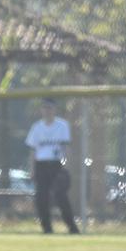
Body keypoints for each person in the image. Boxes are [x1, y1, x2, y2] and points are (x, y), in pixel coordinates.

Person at [25, 98, 80, 234]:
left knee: (61, 197)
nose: (47, 111)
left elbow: (66, 148)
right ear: (41, 110)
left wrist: (66, 166)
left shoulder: (62, 125)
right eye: (44, 108)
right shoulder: (37, 127)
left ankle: (72, 228)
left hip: (57, 165)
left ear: (54, 110)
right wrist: (32, 169)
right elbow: (33, 151)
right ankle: (47, 228)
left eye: (50, 108)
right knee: (41, 198)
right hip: (41, 165)